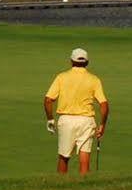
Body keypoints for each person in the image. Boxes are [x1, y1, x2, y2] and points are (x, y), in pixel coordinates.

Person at [44, 47, 109, 175]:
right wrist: (102, 125)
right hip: (86, 121)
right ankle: (83, 187)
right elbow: (104, 104)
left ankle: (61, 185)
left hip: (66, 120)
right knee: (84, 158)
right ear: (87, 62)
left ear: (71, 61)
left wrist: (50, 119)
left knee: (64, 156)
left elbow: (48, 100)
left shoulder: (61, 77)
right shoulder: (94, 79)